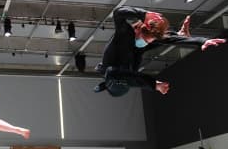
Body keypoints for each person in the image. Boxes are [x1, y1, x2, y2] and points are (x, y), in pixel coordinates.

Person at [94, 6, 226, 97]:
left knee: (147, 46)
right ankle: (106, 84)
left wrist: (202, 41)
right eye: (145, 39)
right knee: (112, 71)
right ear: (138, 30)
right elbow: (118, 12)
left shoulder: (145, 42)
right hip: (114, 80)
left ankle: (151, 83)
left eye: (148, 41)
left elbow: (169, 39)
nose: (145, 43)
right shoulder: (124, 33)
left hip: (127, 80)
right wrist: (143, 14)